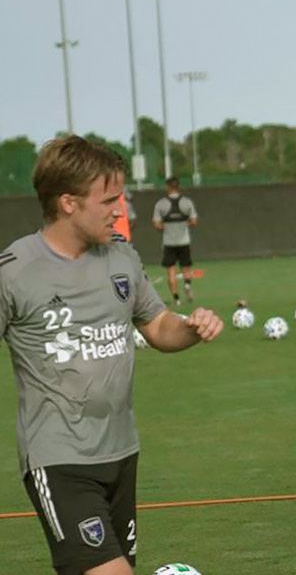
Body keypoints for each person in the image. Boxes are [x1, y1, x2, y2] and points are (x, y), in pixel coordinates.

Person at [0, 136, 224, 575]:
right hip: (58, 458)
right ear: (68, 203)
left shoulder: (121, 259)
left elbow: (159, 327)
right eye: (109, 200)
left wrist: (192, 328)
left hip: (122, 452)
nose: (119, 210)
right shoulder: (15, 272)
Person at [151, 177, 198, 306]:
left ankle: (176, 298)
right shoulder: (187, 202)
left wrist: (165, 226)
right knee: (186, 267)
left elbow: (156, 224)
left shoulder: (161, 204)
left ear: (168, 187)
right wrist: (184, 223)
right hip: (184, 241)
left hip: (169, 242)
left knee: (171, 271)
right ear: (178, 187)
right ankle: (187, 286)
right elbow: (194, 222)